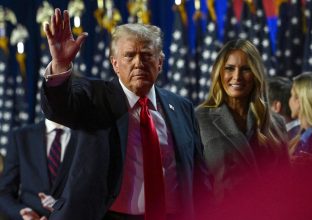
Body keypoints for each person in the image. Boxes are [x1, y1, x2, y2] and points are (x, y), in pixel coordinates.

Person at [41, 8, 211, 220]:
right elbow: (58, 108)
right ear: (115, 64)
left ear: (160, 63)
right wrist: (60, 65)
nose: (138, 63)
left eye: (147, 55)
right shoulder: (94, 97)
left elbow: (199, 174)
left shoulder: (182, 107)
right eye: (129, 55)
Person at [195, 39, 289, 204]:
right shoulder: (199, 118)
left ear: (256, 75)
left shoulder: (276, 123)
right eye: (229, 69)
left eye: (246, 69)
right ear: (219, 73)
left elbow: (285, 180)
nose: (237, 76)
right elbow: (193, 182)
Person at [0, 119, 77, 220]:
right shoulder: (21, 136)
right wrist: (22, 212)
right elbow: (5, 192)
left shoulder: (86, 140)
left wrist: (62, 208)